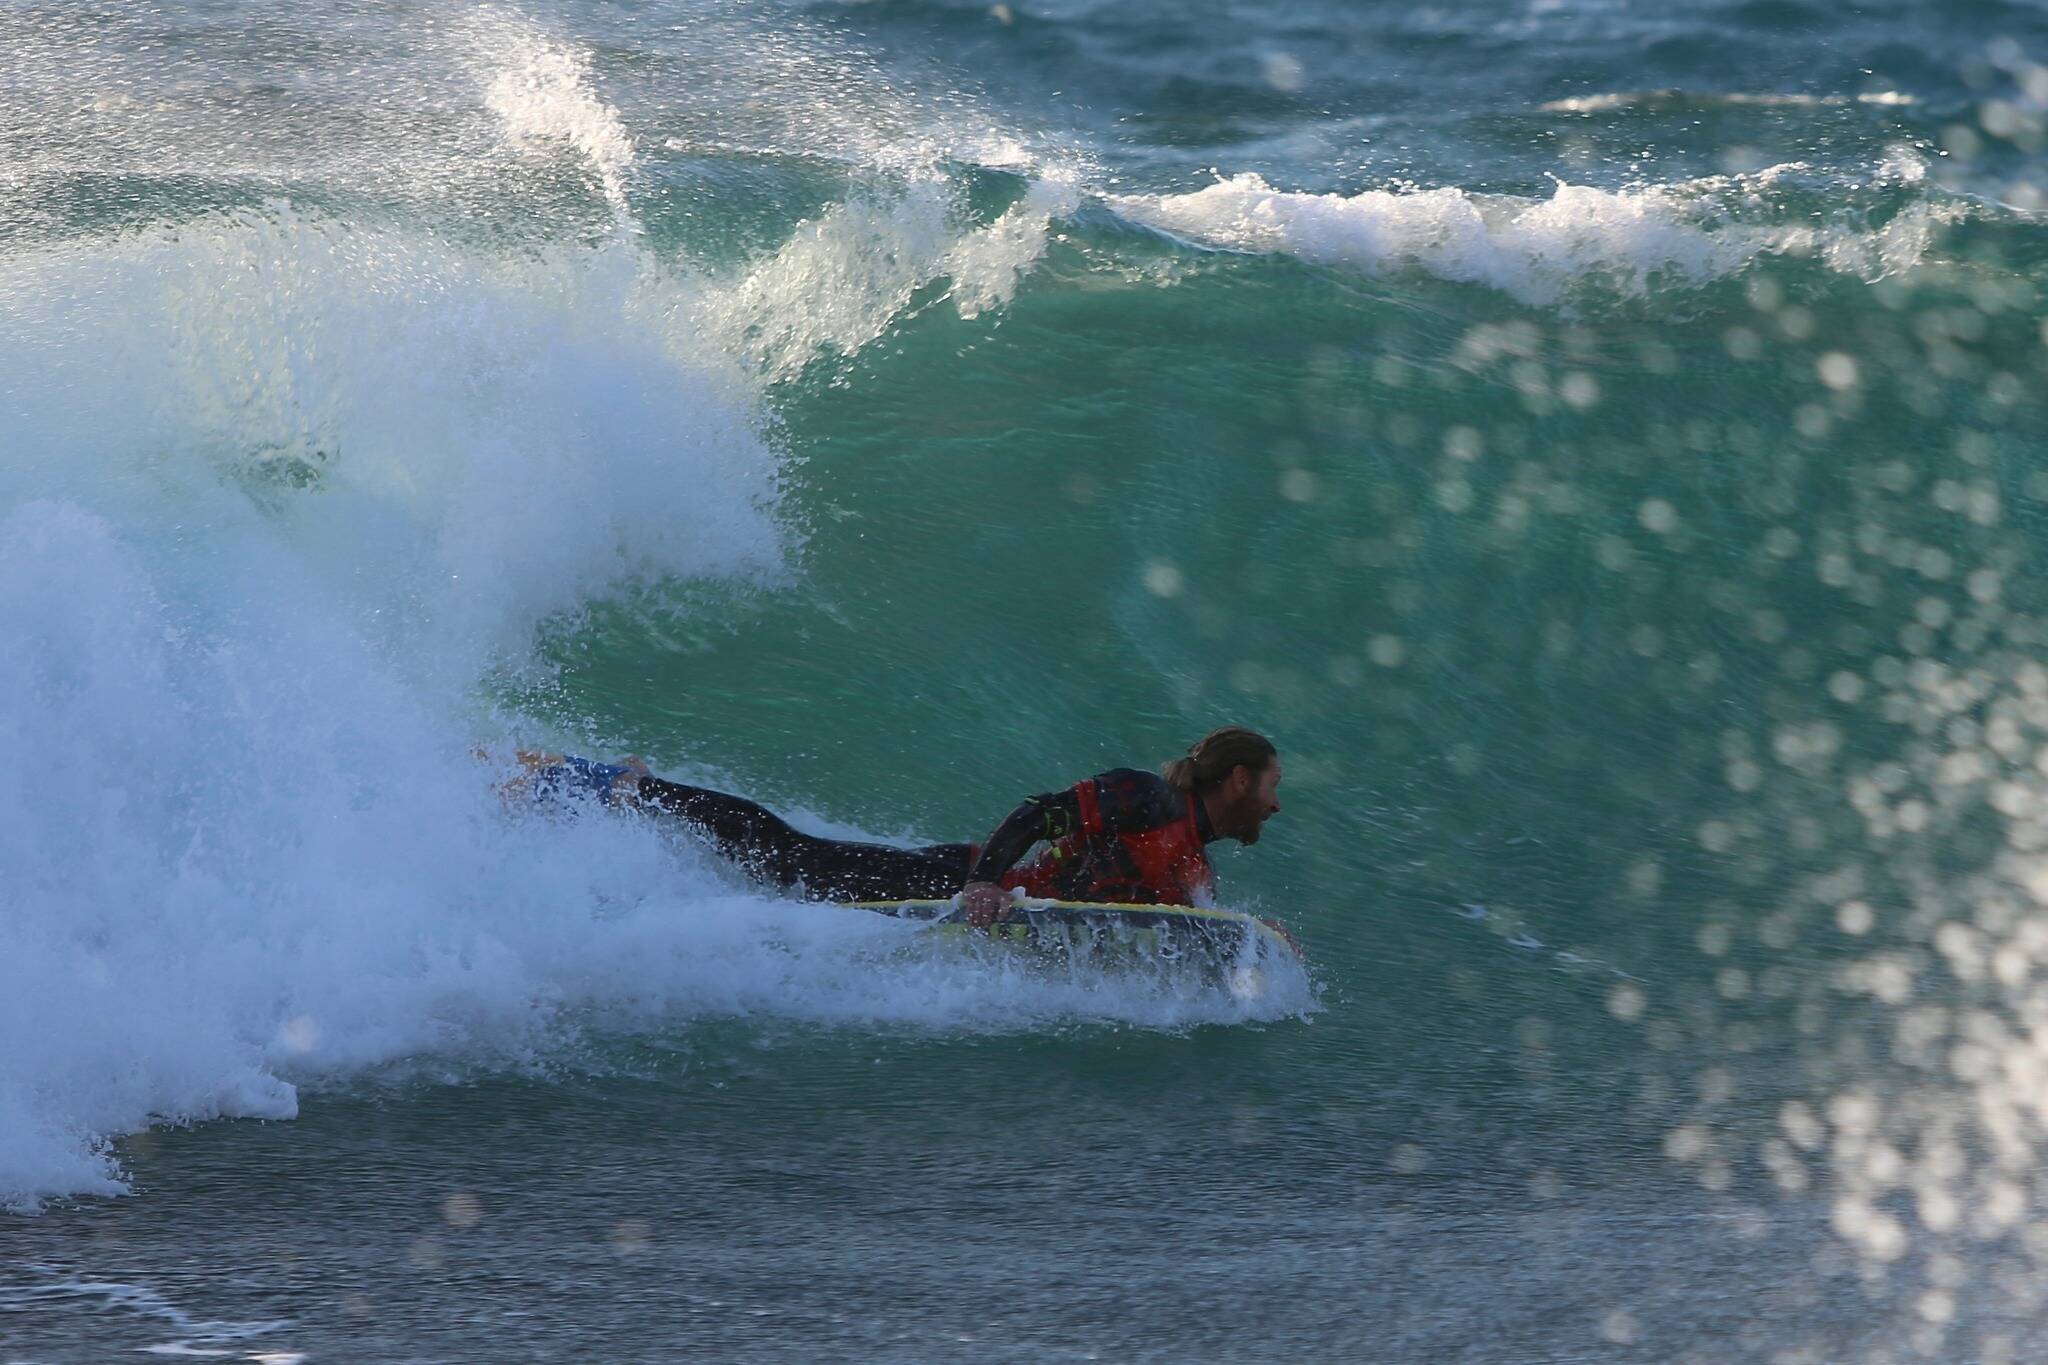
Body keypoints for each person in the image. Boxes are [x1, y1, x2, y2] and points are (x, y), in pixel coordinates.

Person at [513, 727, 1282, 924]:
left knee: (794, 866)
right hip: (955, 880)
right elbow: (1037, 812)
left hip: (980, 890)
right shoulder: (1147, 798)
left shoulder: (1197, 870)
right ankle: (607, 784)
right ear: (1238, 779)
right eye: (1272, 787)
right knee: (790, 861)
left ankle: (638, 785)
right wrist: (983, 885)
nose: (1276, 806)